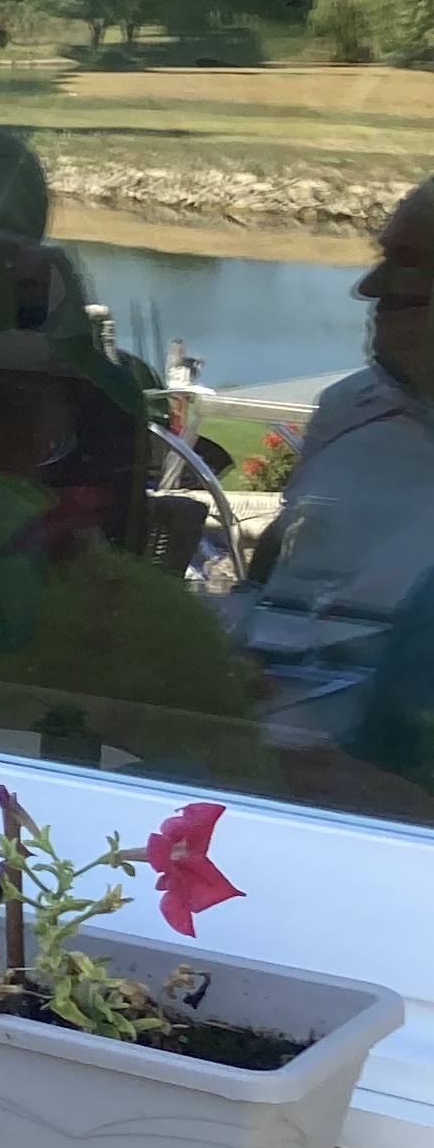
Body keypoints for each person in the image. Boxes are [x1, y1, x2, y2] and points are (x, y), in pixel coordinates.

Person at [236, 178, 434, 751]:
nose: (368, 288)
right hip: (262, 744)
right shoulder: (352, 406)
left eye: (409, 264)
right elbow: (278, 561)